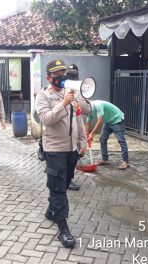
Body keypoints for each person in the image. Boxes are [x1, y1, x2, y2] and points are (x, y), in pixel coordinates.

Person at [35, 59, 87, 248]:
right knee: (58, 189)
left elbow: (79, 117)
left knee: (63, 185)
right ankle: (63, 228)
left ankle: (51, 210)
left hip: (71, 148)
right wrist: (64, 103)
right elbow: (47, 120)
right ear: (49, 77)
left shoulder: (70, 93)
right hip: (55, 149)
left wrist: (82, 141)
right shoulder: (43, 96)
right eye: (56, 74)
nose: (61, 77)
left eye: (62, 73)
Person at [85, 100, 130, 170]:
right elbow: (87, 124)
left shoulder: (98, 105)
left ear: (88, 106)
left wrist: (92, 133)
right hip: (108, 122)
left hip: (117, 120)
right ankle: (105, 159)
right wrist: (86, 135)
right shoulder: (88, 111)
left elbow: (100, 120)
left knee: (121, 140)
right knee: (102, 138)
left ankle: (126, 162)